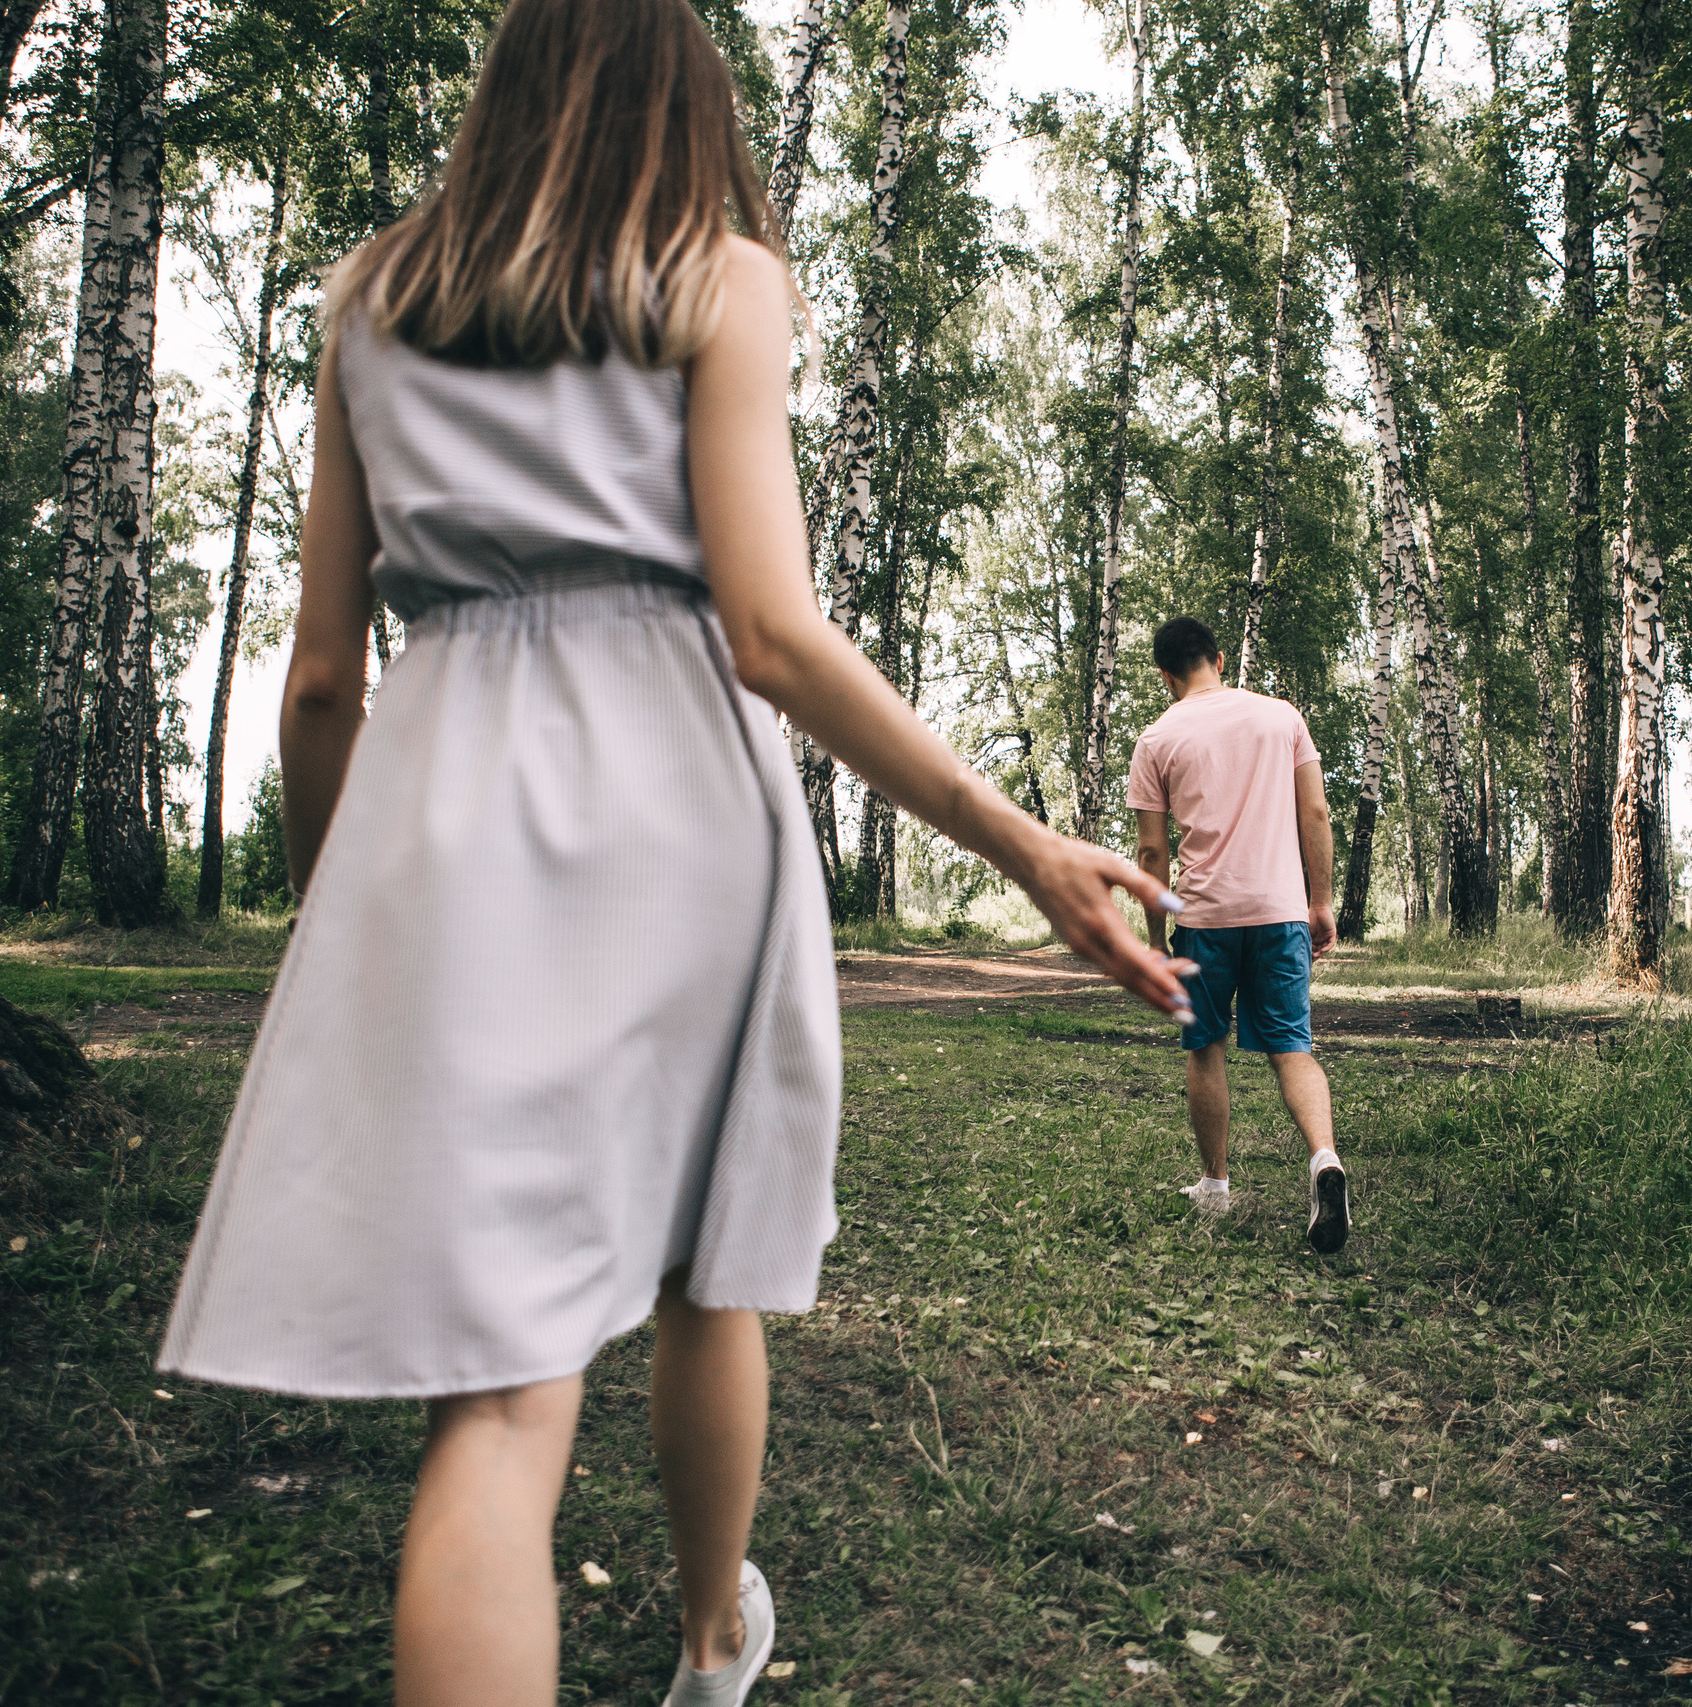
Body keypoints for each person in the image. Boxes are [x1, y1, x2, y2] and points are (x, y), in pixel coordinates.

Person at [153, 5, 1191, 1704]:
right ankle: (714, 1641)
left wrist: (340, 922)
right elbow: (770, 632)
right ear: (684, 110)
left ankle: (693, 1624)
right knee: (713, 1261)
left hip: (445, 810)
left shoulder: (369, 302)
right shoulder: (721, 280)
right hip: (680, 806)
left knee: (504, 1399)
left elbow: (323, 676)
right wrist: (1018, 842)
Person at [1127, 617, 1349, 1253]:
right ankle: (1324, 1159)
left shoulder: (1157, 738)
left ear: (1166, 676)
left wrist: (1155, 939)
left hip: (1205, 918)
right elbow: (1315, 812)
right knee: (1293, 1049)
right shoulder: (1282, 717)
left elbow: (1151, 853)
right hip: (1280, 912)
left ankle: (1216, 1187)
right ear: (1219, 660)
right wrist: (1320, 901)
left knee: (1206, 1047)